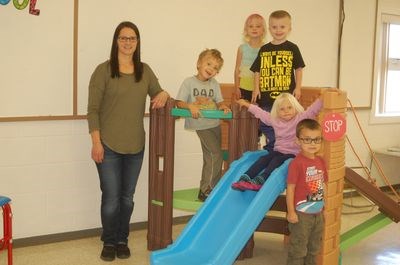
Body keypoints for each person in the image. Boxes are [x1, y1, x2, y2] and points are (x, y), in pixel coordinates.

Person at [87, 21, 169, 262]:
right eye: (123, 38)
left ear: (137, 42)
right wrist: (96, 142)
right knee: (111, 199)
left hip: (136, 146)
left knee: (127, 198)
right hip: (108, 145)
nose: (127, 42)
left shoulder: (144, 70)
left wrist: (163, 93)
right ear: (116, 41)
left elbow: (159, 94)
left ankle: (122, 239)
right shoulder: (103, 70)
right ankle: (109, 240)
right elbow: (92, 111)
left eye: (132, 38)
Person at [231, 92, 322, 191]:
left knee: (276, 161)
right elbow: (261, 113)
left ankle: (262, 180)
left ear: (295, 107)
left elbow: (313, 110)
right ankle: (245, 177)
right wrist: (247, 105)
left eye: (289, 108)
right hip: (278, 151)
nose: (286, 111)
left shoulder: (300, 119)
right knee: (263, 159)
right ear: (277, 111)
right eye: (282, 109)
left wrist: (324, 96)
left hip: (293, 154)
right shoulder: (275, 120)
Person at [175, 48, 231, 202]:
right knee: (216, 154)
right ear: (199, 63)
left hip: (214, 124)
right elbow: (179, 102)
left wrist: (223, 107)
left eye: (215, 68)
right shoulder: (189, 82)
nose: (211, 69)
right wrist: (190, 106)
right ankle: (208, 189)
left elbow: (219, 102)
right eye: (209, 64)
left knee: (210, 157)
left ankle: (208, 187)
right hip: (201, 125)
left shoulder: (214, 84)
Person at [250, 10, 305, 151]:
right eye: (274, 27)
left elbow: (299, 69)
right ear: (269, 29)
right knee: (265, 124)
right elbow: (257, 71)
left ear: (289, 29)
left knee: (287, 127)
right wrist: (256, 88)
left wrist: (298, 87)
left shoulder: (293, 48)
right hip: (267, 99)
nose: (278, 30)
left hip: (285, 100)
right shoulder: (264, 49)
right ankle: (273, 147)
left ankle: (278, 149)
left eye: (282, 27)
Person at [286, 118, 328, 265]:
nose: (313, 144)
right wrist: (291, 212)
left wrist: (325, 207)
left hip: (318, 214)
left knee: (314, 249)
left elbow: (322, 185)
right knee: (298, 250)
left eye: (317, 140)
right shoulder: (296, 164)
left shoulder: (321, 161)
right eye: (307, 140)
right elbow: (290, 189)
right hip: (301, 215)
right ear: (298, 141)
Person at [234, 13, 266, 101]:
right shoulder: (242, 48)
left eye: (258, 26)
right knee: (244, 111)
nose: (254, 28)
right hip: (244, 86)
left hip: (260, 87)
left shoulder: (265, 48)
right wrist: (237, 87)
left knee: (258, 112)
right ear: (246, 30)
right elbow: (237, 69)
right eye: (251, 26)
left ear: (263, 30)